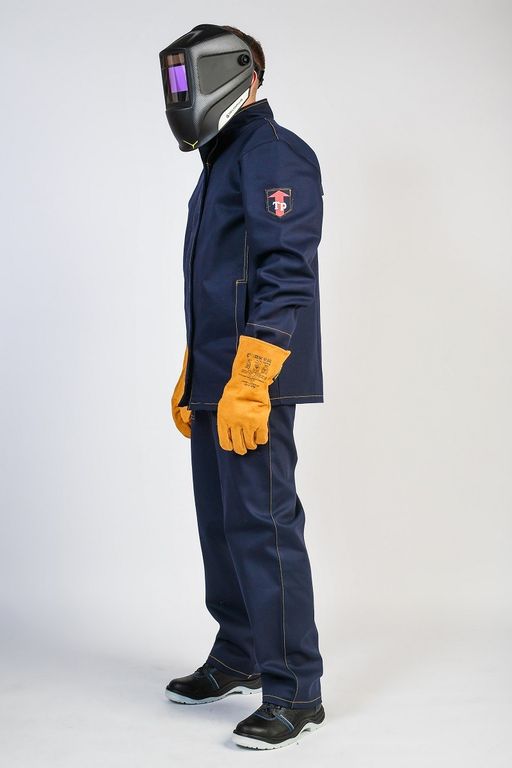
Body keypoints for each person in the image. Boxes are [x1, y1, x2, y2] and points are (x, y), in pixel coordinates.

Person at [158, 23, 326, 750]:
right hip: (216, 381)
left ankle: (297, 690)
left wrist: (253, 379)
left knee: (264, 527)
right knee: (222, 525)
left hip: (256, 382)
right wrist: (195, 370)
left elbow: (287, 273)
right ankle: (240, 654)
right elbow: (221, 282)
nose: (180, 95)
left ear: (241, 73)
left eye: (189, 77)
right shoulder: (223, 160)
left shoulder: (274, 154)